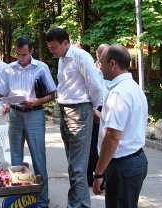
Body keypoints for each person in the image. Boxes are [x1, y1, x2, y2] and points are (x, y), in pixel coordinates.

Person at [0, 37, 56, 208]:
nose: (21, 58)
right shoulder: (9, 69)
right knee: (16, 160)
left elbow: (52, 94)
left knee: (38, 159)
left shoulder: (41, 68)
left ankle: (42, 200)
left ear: (31, 51)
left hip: (34, 114)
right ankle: (18, 199)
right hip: (15, 115)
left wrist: (36, 102)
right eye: (18, 55)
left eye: (24, 55)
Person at [46, 28, 103, 208]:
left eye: (54, 47)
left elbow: (96, 86)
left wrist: (93, 108)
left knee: (78, 168)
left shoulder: (80, 56)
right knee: (73, 166)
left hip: (79, 111)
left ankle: (80, 206)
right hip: (65, 111)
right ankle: (77, 203)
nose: (52, 51)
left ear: (65, 42)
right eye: (50, 48)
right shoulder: (62, 59)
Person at [93, 44, 148, 208]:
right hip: (135, 160)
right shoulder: (133, 88)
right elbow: (127, 124)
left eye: (101, 63)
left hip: (122, 166)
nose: (100, 67)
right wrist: (99, 117)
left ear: (112, 64)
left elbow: (112, 137)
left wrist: (98, 174)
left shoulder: (118, 94)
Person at [87, 43, 110, 186]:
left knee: (106, 143)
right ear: (97, 55)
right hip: (95, 106)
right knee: (92, 144)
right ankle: (91, 177)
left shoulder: (110, 69)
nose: (102, 59)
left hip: (109, 107)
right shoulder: (91, 69)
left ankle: (104, 176)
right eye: (101, 55)